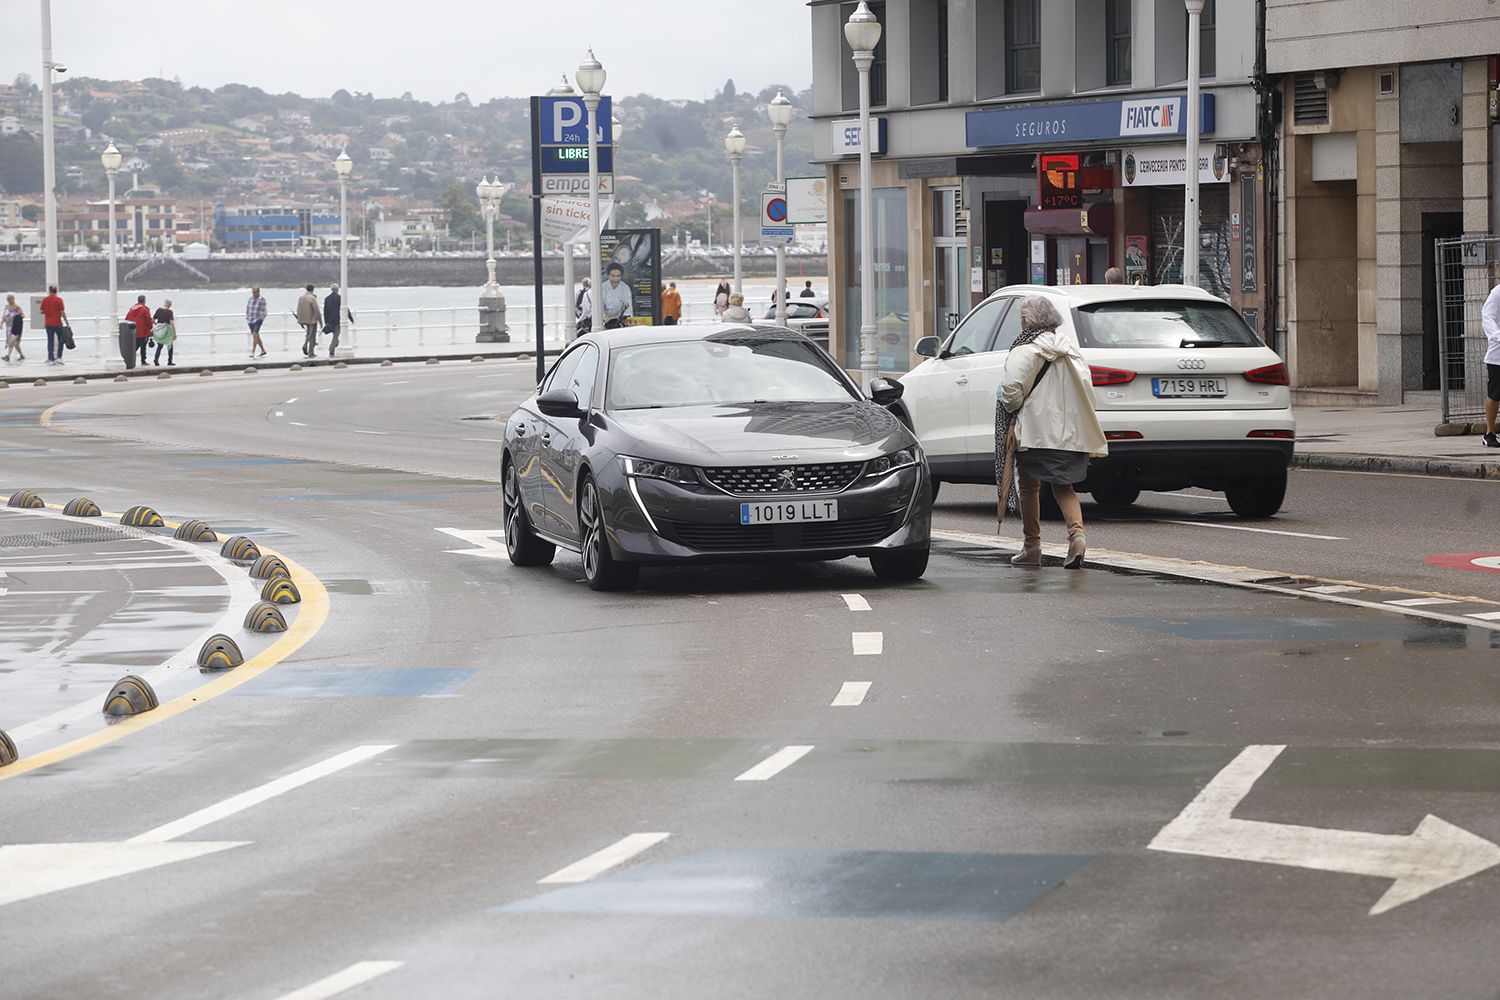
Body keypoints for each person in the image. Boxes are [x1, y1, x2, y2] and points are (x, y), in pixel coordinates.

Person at [996, 295, 1107, 570]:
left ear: (1028, 320)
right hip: (1070, 431)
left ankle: (1032, 546)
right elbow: (1086, 387)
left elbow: (1011, 391)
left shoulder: (1024, 350)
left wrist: (1012, 408)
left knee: (1029, 485)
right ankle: (1077, 536)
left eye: (1022, 317)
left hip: (1035, 430)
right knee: (1064, 486)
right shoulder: (1070, 349)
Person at [1483, 271, 1500, 448]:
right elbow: (1487, 318)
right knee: (1495, 395)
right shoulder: (1497, 293)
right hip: (1498, 356)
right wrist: (1497, 336)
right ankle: (1489, 433)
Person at [40, 285, 68, 367]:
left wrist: (48, 312)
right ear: (56, 291)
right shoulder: (59, 300)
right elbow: (62, 312)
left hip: (48, 323)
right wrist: (66, 321)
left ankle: (51, 359)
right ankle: (59, 357)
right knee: (61, 340)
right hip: (57, 323)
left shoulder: (45, 300)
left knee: (50, 341)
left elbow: (42, 311)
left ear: (49, 291)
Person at [599, 262, 632, 329]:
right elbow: (600, 307)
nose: (615, 279)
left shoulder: (625, 288)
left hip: (619, 322)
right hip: (604, 322)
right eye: (613, 276)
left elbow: (628, 309)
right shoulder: (602, 288)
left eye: (618, 276)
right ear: (608, 275)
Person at [126, 294, 153, 366]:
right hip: (143, 331)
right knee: (143, 346)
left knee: (134, 346)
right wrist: (150, 328)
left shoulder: (131, 309)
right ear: (144, 300)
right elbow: (148, 320)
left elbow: (127, 319)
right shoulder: (145, 309)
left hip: (133, 331)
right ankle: (143, 360)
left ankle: (128, 358)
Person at [296, 284, 320, 357]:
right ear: (313, 289)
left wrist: (299, 319)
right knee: (312, 335)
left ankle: (308, 347)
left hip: (303, 318)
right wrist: (320, 320)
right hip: (312, 319)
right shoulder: (312, 298)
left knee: (308, 333)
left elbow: (298, 309)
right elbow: (316, 310)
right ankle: (309, 350)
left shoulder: (301, 297)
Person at [151, 298, 176, 366]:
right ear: (170, 305)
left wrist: (157, 325)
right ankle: (169, 361)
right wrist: (174, 333)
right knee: (170, 345)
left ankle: (156, 359)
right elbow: (171, 323)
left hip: (160, 331)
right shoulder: (169, 312)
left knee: (159, 346)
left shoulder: (158, 310)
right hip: (167, 331)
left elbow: (152, 320)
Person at [246, 287, 268, 357]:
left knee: (255, 333)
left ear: (258, 292)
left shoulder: (262, 300)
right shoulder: (250, 299)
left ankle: (253, 352)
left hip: (258, 319)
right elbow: (248, 309)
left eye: (255, 292)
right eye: (253, 292)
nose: (254, 294)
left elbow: (264, 310)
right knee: (256, 335)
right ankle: (263, 350)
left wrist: (262, 318)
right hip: (250, 319)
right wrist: (247, 318)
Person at [323, 283, 344, 357]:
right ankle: (331, 350)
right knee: (336, 336)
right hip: (338, 319)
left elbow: (325, 311)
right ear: (338, 289)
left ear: (331, 289)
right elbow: (345, 308)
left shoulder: (327, 298)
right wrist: (350, 318)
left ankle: (334, 344)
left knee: (335, 336)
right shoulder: (340, 298)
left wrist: (326, 322)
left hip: (330, 320)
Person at [3, 294, 24, 362]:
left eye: (10, 299)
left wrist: (18, 316)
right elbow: (4, 316)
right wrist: (1, 323)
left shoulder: (17, 307)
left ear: (13, 299)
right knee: (15, 344)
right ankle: (22, 355)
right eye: (7, 299)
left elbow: (22, 315)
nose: (9, 300)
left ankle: (8, 356)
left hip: (15, 327)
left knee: (11, 342)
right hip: (8, 328)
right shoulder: (6, 307)